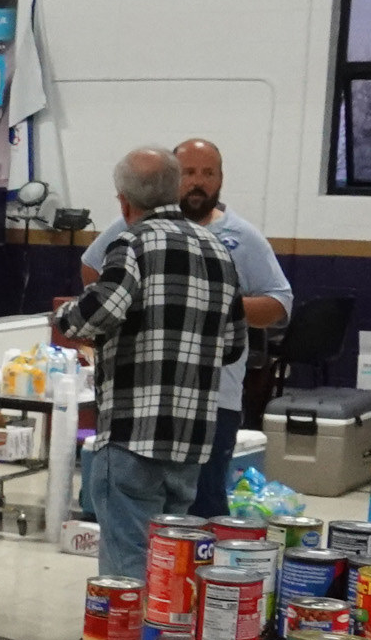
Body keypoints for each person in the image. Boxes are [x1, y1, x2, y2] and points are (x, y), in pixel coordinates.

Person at [58, 145, 244, 581]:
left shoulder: (132, 244)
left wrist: (65, 316)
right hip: (190, 441)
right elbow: (234, 343)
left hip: (132, 435)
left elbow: (99, 311)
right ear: (175, 191)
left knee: (128, 565)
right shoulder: (218, 252)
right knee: (171, 566)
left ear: (124, 202)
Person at [172, 137, 294, 515]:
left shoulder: (241, 237)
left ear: (221, 180)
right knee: (157, 505)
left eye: (208, 173)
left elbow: (280, 303)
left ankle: (208, 574)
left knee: (205, 502)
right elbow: (93, 266)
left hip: (215, 397)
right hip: (154, 396)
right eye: (188, 172)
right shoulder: (147, 227)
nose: (198, 181)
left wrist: (223, 306)